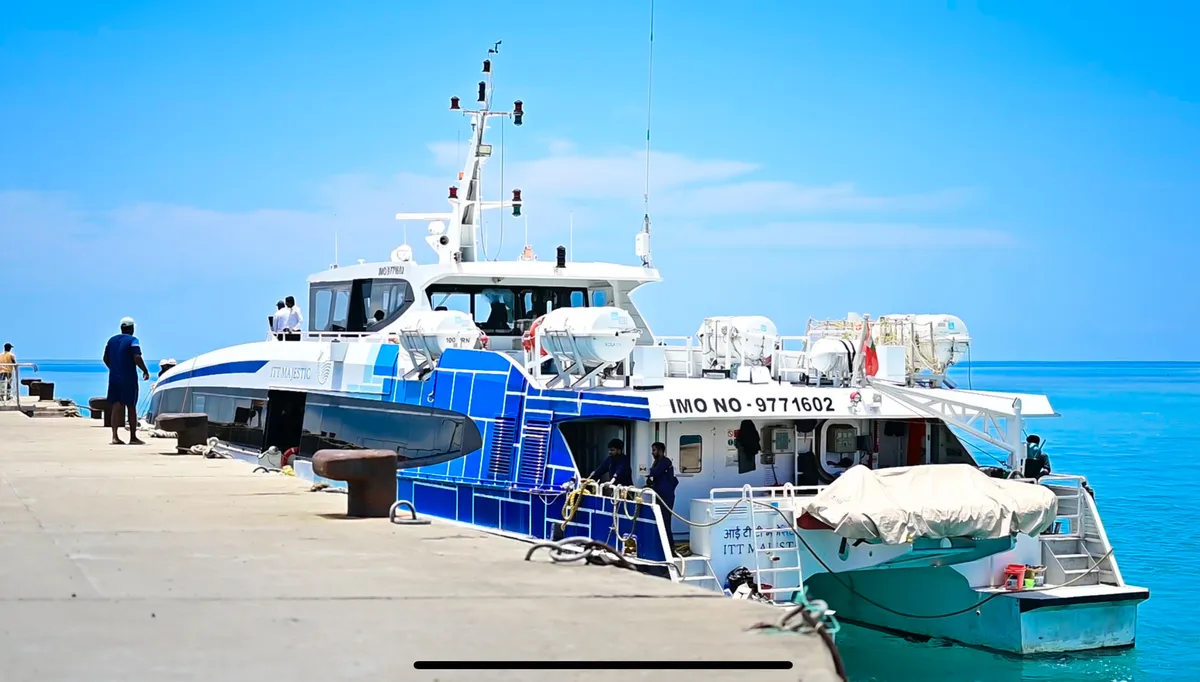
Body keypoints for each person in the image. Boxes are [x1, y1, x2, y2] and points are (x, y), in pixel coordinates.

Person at [103, 317, 150, 445]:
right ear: (132, 329)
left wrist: (113, 368)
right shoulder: (133, 340)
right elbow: (137, 357)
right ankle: (133, 437)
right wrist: (145, 370)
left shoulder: (111, 341)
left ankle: (114, 436)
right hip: (128, 378)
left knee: (116, 406)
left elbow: (105, 358)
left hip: (114, 378)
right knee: (131, 406)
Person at [645, 441, 679, 533]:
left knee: (665, 520)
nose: (652, 452)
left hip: (666, 496)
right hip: (659, 495)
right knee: (660, 520)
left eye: (654, 450)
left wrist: (649, 472)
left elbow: (655, 472)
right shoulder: (657, 462)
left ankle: (669, 544)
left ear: (660, 451)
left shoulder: (665, 461)